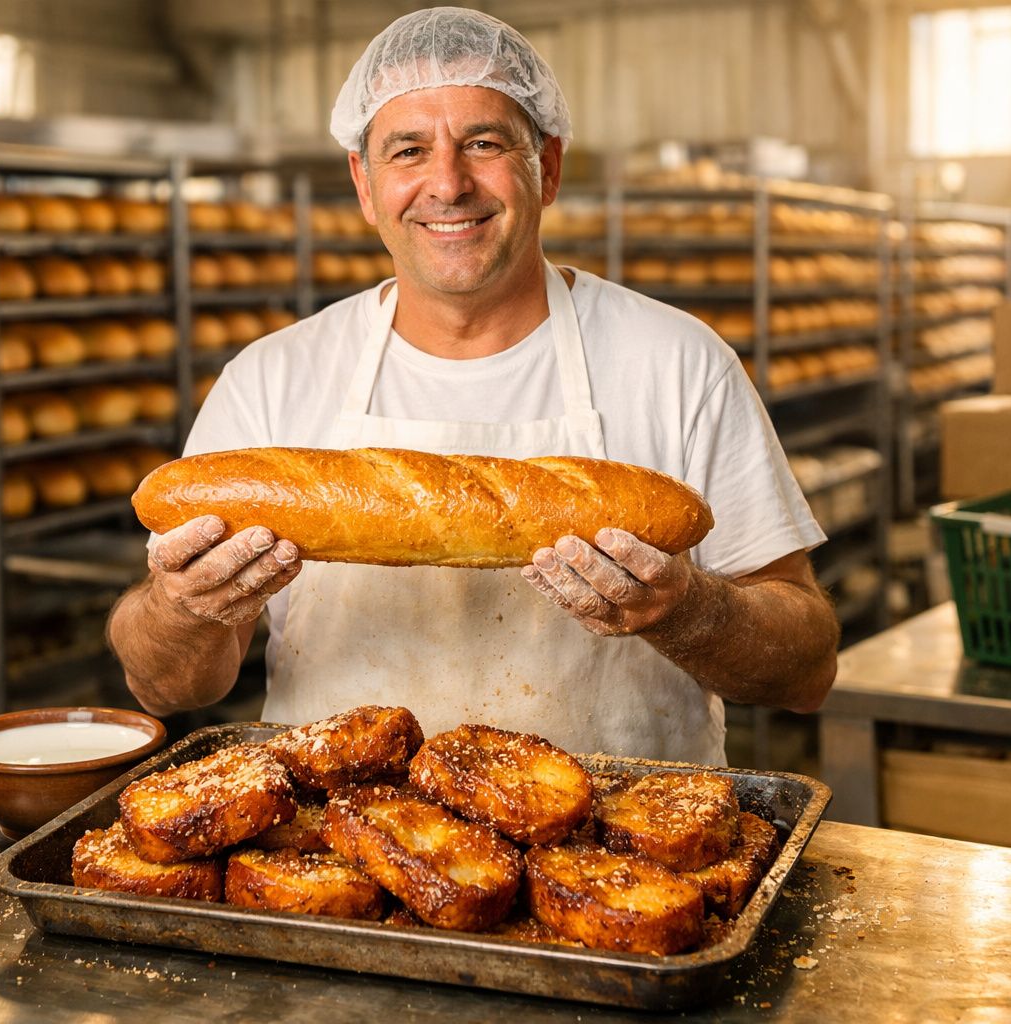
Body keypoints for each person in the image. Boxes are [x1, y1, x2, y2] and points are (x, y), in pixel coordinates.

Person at [108, 6, 838, 764]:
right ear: (364, 184)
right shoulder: (271, 380)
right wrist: (180, 611)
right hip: (338, 849)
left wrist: (690, 613)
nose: (447, 184)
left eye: (484, 143)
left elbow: (808, 673)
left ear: (547, 167)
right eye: (408, 150)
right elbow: (164, 687)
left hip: (621, 849)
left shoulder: (679, 363)